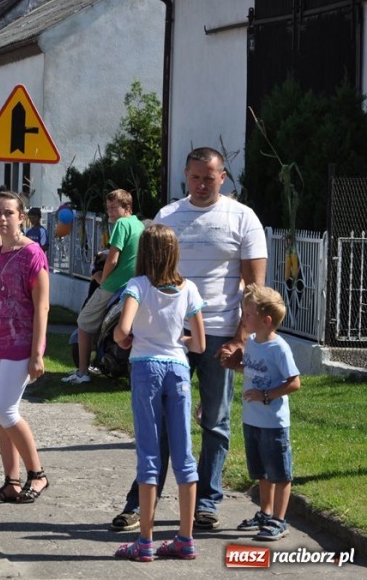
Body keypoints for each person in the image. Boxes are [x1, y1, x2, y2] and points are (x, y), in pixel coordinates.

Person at [110, 147, 267, 533]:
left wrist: (241, 338)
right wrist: (136, 327)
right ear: (186, 175)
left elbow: (255, 287)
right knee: (159, 424)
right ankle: (140, 503)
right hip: (166, 338)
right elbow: (148, 276)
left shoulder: (242, 218)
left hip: (218, 334)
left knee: (214, 421)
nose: (200, 185)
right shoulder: (168, 216)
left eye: (208, 178)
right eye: (194, 177)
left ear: (223, 177)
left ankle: (207, 503)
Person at [113, 224, 206, 562]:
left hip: (145, 369)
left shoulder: (137, 286)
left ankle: (145, 541)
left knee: (150, 454)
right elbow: (199, 343)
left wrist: (128, 340)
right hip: (178, 369)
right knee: (184, 455)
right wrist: (177, 341)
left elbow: (122, 331)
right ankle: (185, 538)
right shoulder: (189, 289)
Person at [0, 191, 50, 505]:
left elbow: (42, 306)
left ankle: (38, 474)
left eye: (9, 213)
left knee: (7, 411)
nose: (2, 219)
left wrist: (37, 353)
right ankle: (11, 481)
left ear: (21, 217)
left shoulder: (33, 254)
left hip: (21, 345)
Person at [236, 284, 301, 541]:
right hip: (251, 419)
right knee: (261, 471)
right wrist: (237, 366)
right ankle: (265, 513)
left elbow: (294, 382)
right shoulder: (252, 342)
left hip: (273, 423)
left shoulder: (279, 348)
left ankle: (279, 520)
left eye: (248, 314)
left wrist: (265, 395)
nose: (243, 318)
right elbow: (254, 371)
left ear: (266, 320)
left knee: (280, 473)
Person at [63, 189, 144, 385]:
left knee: (83, 322)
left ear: (127, 208)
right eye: (108, 209)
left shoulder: (122, 224)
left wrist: (101, 278)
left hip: (114, 285)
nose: (110, 213)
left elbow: (114, 259)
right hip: (134, 285)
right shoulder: (139, 225)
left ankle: (82, 372)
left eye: (114, 208)